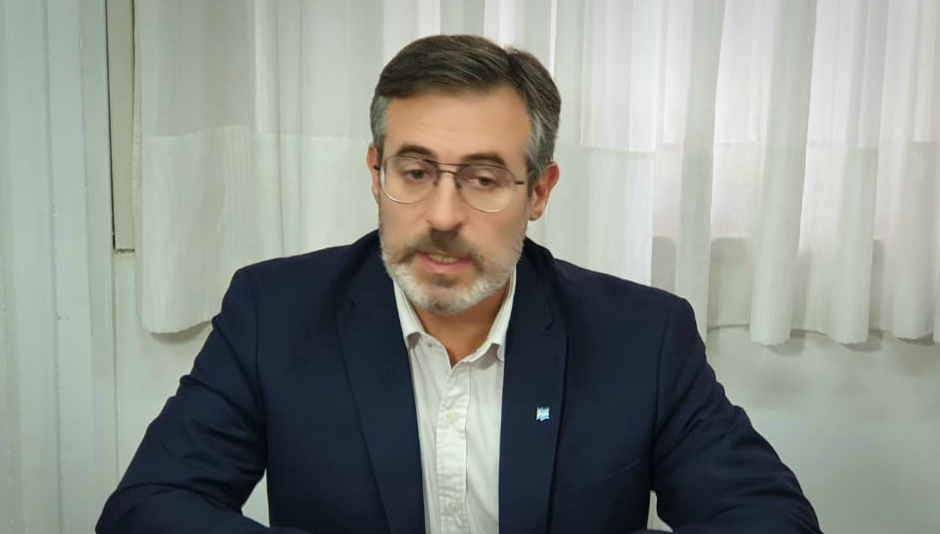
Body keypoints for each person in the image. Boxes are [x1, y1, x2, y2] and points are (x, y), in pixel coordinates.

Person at [97, 34, 821, 534]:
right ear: (375, 172)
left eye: (483, 179)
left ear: (539, 192)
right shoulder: (275, 313)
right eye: (415, 172)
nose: (443, 216)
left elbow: (769, 518)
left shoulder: (641, 337)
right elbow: (149, 508)